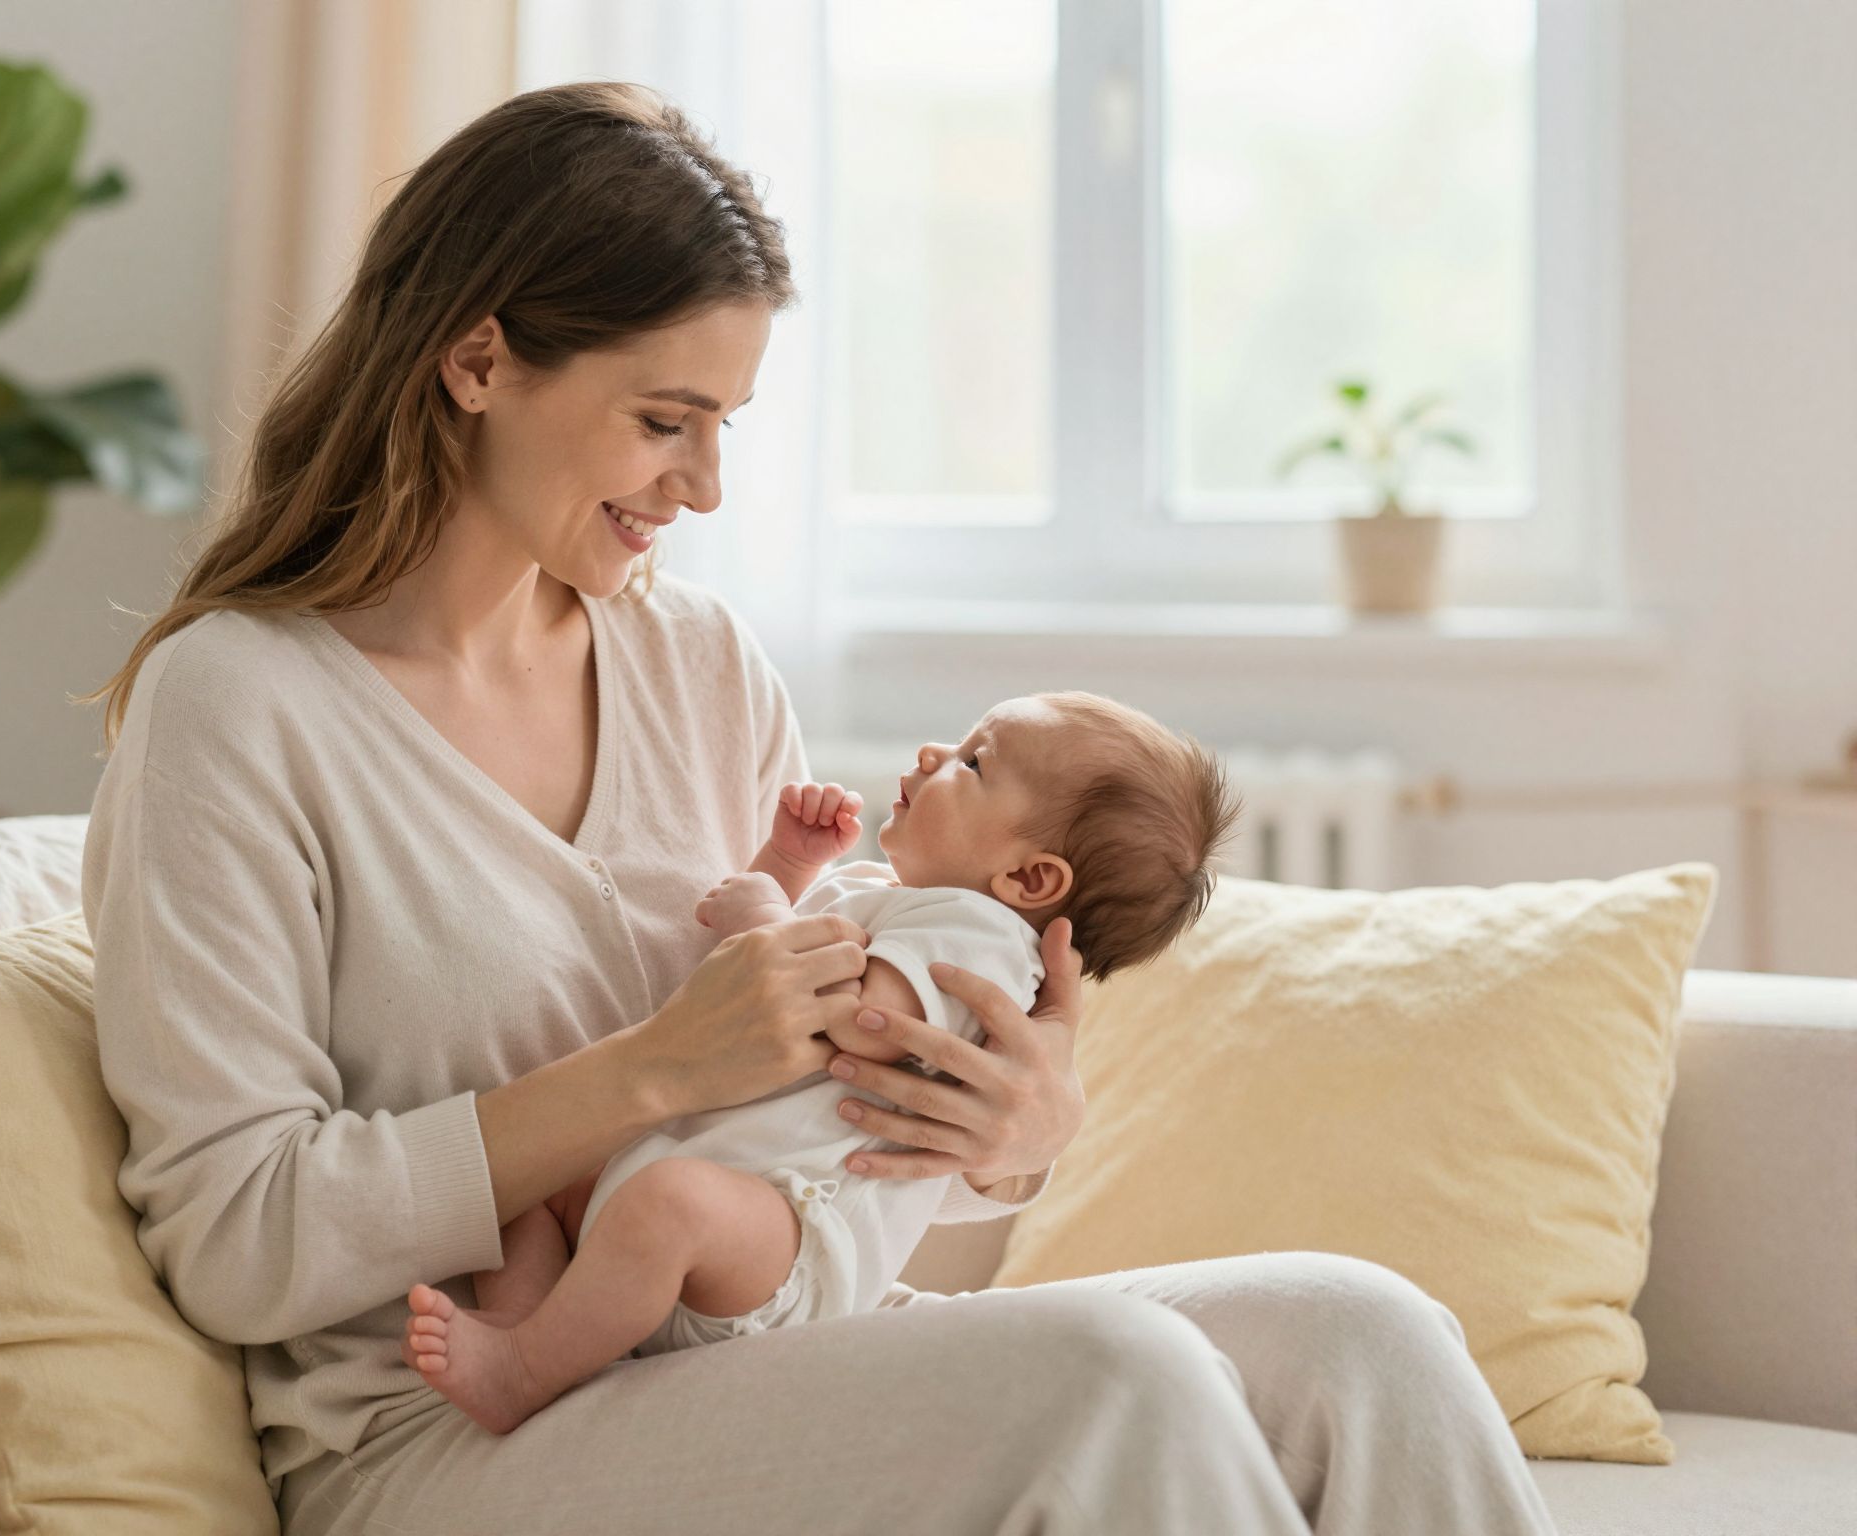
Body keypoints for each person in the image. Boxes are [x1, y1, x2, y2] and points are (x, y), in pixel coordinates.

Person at [76, 80, 1560, 1534]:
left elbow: (811, 1151)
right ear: (476, 360)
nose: (706, 486)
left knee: (1367, 1337)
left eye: (724, 423)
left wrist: (1006, 1135)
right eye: (667, 419)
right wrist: (650, 1071)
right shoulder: (240, 704)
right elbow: (233, 1236)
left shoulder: (698, 664)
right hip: (446, 1434)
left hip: (751, 1341)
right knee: (1113, 1378)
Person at [405, 692, 1241, 1437]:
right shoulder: (898, 896)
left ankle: (525, 1373)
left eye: (973, 761)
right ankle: (536, 1339)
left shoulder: (982, 942)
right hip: (703, 1198)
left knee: (666, 1207)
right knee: (529, 1175)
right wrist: (791, 866)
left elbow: (859, 1025)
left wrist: (767, 909)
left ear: (1028, 877)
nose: (932, 755)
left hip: (789, 1242)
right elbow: (746, 985)